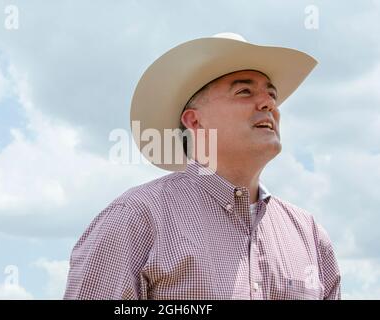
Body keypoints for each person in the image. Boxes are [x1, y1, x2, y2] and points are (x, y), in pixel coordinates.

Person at [64, 33, 341, 300]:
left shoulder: (310, 235)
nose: (269, 103)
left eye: (272, 95)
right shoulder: (136, 219)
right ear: (194, 121)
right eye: (244, 91)